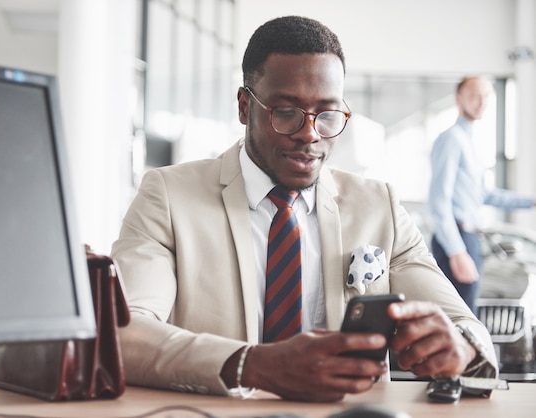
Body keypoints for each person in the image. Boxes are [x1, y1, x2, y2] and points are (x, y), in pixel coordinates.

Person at [112, 16, 498, 403]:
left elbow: (465, 324)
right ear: (245, 106)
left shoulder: (379, 206)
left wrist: (461, 347)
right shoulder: (168, 196)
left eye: (327, 114)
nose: (310, 133)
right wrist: (254, 365)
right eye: (286, 112)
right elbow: (123, 333)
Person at [428, 76, 536, 315]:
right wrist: (457, 251)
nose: (481, 102)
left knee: (466, 317)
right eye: (474, 96)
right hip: (457, 238)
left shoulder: (470, 141)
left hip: (471, 237)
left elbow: (483, 195)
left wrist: (530, 201)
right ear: (459, 99)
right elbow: (438, 201)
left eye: (486, 96)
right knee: (459, 319)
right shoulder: (452, 139)